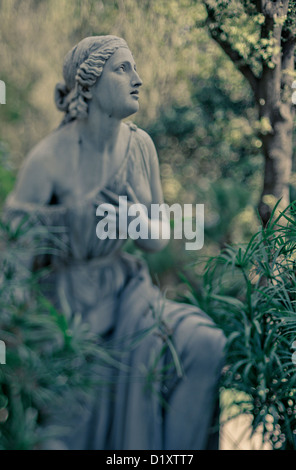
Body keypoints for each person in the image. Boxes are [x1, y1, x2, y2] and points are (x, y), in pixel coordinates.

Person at [4, 35, 226, 450]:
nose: (137, 79)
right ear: (87, 85)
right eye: (123, 69)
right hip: (65, 311)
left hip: (128, 295)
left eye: (135, 68)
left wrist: (136, 216)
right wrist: (17, 335)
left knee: (204, 343)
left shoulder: (140, 146)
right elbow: (11, 256)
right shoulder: (47, 160)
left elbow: (156, 240)